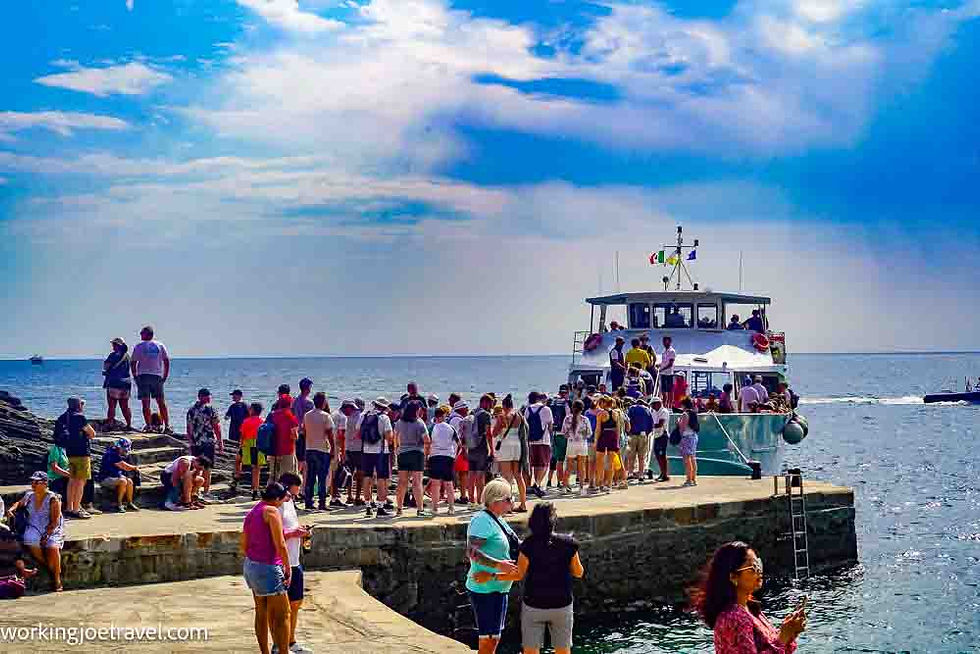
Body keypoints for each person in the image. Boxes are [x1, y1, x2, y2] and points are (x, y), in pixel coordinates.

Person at [475, 502, 584, 654]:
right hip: (562, 604)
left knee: (530, 651)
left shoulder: (528, 545)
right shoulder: (569, 544)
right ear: (553, 520)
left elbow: (518, 574)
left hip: (534, 604)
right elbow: (579, 572)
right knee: (563, 650)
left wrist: (491, 575)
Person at [697, 541, 806, 653]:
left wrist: (791, 632)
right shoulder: (734, 618)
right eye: (753, 568)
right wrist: (783, 637)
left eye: (759, 565)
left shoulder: (750, 608)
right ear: (734, 577)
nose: (759, 572)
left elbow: (775, 648)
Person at [465, 479, 520, 654]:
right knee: (488, 640)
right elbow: (472, 552)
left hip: (498, 587)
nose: (512, 502)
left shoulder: (498, 519)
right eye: (509, 499)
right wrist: (499, 565)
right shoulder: (482, 520)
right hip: (485, 589)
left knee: (493, 638)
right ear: (497, 501)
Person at [240, 482, 292, 654]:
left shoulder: (252, 512)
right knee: (283, 615)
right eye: (283, 497)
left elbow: (244, 544)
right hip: (268, 567)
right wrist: (287, 568)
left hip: (251, 565)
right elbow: (281, 544)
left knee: (261, 612)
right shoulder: (271, 511)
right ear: (277, 498)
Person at [6, 472, 65, 591]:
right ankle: (48, 567)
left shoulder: (53, 498)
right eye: (32, 482)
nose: (33, 484)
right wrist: (11, 509)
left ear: (45, 484)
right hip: (33, 526)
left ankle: (57, 578)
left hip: (51, 527)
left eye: (36, 482)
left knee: (52, 547)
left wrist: (47, 535)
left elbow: (55, 521)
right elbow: (19, 503)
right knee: (30, 539)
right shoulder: (29, 495)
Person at [276, 473, 313, 654]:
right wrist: (293, 533)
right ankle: (279, 645)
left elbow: (290, 528)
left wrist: (302, 531)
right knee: (281, 609)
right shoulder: (278, 505)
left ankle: (291, 641)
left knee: (296, 604)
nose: (296, 494)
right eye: (295, 490)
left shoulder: (290, 503)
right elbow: (274, 534)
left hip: (295, 561)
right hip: (283, 563)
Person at [55, 397, 95, 519]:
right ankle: (77, 509)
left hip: (68, 452)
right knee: (80, 481)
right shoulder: (79, 417)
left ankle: (69, 508)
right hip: (82, 452)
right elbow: (92, 433)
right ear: (78, 405)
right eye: (81, 404)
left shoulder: (62, 417)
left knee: (72, 480)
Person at [130, 325, 171, 433]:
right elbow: (166, 361)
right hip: (156, 375)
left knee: (146, 402)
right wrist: (165, 375)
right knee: (160, 402)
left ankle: (149, 426)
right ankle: (167, 426)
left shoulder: (139, 346)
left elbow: (133, 362)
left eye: (142, 333)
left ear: (147, 334)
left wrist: (135, 376)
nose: (140, 335)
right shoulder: (160, 345)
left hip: (143, 375)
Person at [492, 395, 528, 513]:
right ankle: (523, 504)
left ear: (503, 406)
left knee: (506, 477)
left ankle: (508, 507)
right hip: (517, 446)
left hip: (505, 446)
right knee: (518, 476)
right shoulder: (519, 416)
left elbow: (494, 433)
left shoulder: (502, 416)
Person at [360, 398, 395, 517]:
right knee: (381, 479)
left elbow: (358, 432)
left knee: (367, 477)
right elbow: (389, 436)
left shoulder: (364, 415)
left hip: (366, 450)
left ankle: (368, 506)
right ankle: (380, 507)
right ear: (384, 407)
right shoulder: (384, 418)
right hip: (381, 451)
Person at [395, 400, 430, 517]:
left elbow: (395, 437)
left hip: (402, 453)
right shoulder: (419, 423)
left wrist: (398, 449)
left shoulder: (399, 422)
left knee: (402, 482)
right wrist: (426, 454)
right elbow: (427, 440)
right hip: (417, 454)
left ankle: (399, 509)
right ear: (416, 410)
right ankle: (420, 510)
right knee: (417, 483)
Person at [186, 388, 223, 499]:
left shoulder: (191, 410)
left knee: (196, 467)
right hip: (208, 441)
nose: (209, 398)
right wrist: (220, 440)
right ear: (204, 397)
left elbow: (189, 428)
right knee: (207, 467)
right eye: (208, 396)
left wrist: (191, 441)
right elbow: (216, 426)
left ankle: (195, 491)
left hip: (196, 441)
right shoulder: (210, 409)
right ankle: (206, 492)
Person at [303, 392, 334, 511]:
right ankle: (322, 502)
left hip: (310, 448)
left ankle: (308, 501)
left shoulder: (307, 415)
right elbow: (330, 434)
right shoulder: (326, 416)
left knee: (310, 477)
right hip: (322, 449)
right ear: (323, 402)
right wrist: (333, 449)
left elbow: (304, 431)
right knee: (322, 477)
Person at [427, 407, 460, 515]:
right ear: (444, 416)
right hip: (448, 456)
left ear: (435, 417)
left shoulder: (432, 427)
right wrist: (455, 455)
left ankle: (435, 508)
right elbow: (459, 443)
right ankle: (451, 508)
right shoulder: (451, 428)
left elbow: (427, 442)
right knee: (448, 483)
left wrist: (427, 455)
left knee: (435, 484)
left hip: (435, 456)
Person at [523, 392, 553, 499]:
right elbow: (550, 426)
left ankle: (528, 485)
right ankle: (537, 484)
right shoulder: (546, 409)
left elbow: (525, 425)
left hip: (530, 441)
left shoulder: (528, 409)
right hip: (543, 440)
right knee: (543, 464)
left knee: (531, 464)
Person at [97, 437, 140, 512]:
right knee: (123, 481)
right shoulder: (112, 454)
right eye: (124, 449)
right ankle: (119, 504)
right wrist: (134, 468)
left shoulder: (118, 453)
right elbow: (124, 466)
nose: (125, 451)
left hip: (115, 477)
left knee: (129, 481)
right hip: (105, 478)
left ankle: (129, 502)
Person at [468, 394, 494, 508]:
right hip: (481, 447)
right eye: (491, 404)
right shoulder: (486, 415)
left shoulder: (472, 412)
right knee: (480, 475)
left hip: (471, 446)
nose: (491, 406)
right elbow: (488, 433)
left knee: (471, 475)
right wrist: (492, 450)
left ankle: (470, 501)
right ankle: (479, 501)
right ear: (486, 402)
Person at [102, 337, 133, 430]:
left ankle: (110, 425)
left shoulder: (113, 355)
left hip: (114, 383)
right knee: (125, 406)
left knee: (112, 405)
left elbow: (106, 366)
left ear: (117, 345)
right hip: (126, 383)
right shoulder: (127, 356)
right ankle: (129, 425)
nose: (113, 346)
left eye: (114, 344)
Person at [561, 400, 591, 496]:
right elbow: (589, 433)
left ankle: (565, 487)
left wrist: (570, 436)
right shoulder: (585, 419)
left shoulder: (567, 418)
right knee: (581, 467)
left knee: (569, 467)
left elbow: (564, 433)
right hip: (582, 444)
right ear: (582, 408)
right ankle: (581, 488)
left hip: (571, 444)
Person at [239, 402, 267, 500]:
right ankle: (256, 488)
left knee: (253, 468)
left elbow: (242, 435)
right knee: (257, 468)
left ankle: (254, 489)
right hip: (259, 444)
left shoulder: (246, 421)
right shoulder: (263, 421)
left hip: (249, 444)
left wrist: (241, 446)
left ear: (252, 410)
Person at [449, 401, 474, 505]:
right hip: (458, 450)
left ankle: (458, 495)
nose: (467, 410)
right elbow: (462, 437)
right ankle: (463, 496)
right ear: (461, 409)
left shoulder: (452, 418)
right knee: (463, 473)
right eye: (466, 408)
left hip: (454, 450)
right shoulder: (458, 420)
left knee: (456, 473)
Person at [269, 397, 300, 480]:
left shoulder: (272, 415)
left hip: (273, 450)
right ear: (290, 404)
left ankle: (271, 490)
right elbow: (294, 435)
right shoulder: (291, 417)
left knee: (273, 475)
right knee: (286, 475)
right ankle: (284, 491)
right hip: (287, 450)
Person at [546, 387, 569, 491]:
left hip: (553, 433)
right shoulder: (565, 403)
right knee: (561, 460)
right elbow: (568, 418)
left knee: (554, 458)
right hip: (562, 434)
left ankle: (550, 480)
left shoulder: (552, 402)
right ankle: (561, 481)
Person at [291, 378, 315, 480]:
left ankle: (296, 479)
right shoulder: (309, 403)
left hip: (296, 432)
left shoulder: (295, 401)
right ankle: (301, 483)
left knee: (298, 458)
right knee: (304, 461)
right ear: (308, 389)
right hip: (305, 433)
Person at [625, 398, 652, 481]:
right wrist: (647, 433)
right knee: (642, 456)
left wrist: (628, 432)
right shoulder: (647, 410)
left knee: (631, 456)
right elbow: (651, 424)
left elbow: (627, 421)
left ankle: (630, 473)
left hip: (632, 434)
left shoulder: (631, 409)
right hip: (643, 434)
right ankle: (641, 474)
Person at [678, 397, 700, 487]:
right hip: (693, 436)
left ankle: (688, 479)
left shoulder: (685, 414)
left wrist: (678, 423)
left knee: (687, 460)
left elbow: (682, 428)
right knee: (693, 458)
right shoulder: (694, 413)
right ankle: (694, 479)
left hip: (686, 437)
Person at [659, 336, 677, 407]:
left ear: (670, 342)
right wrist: (659, 366)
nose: (664, 343)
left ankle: (669, 405)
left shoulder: (672, 351)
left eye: (666, 341)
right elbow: (664, 362)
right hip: (663, 373)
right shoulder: (664, 351)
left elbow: (670, 364)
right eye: (663, 341)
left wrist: (661, 369)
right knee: (663, 391)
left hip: (669, 373)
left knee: (670, 391)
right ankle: (664, 405)